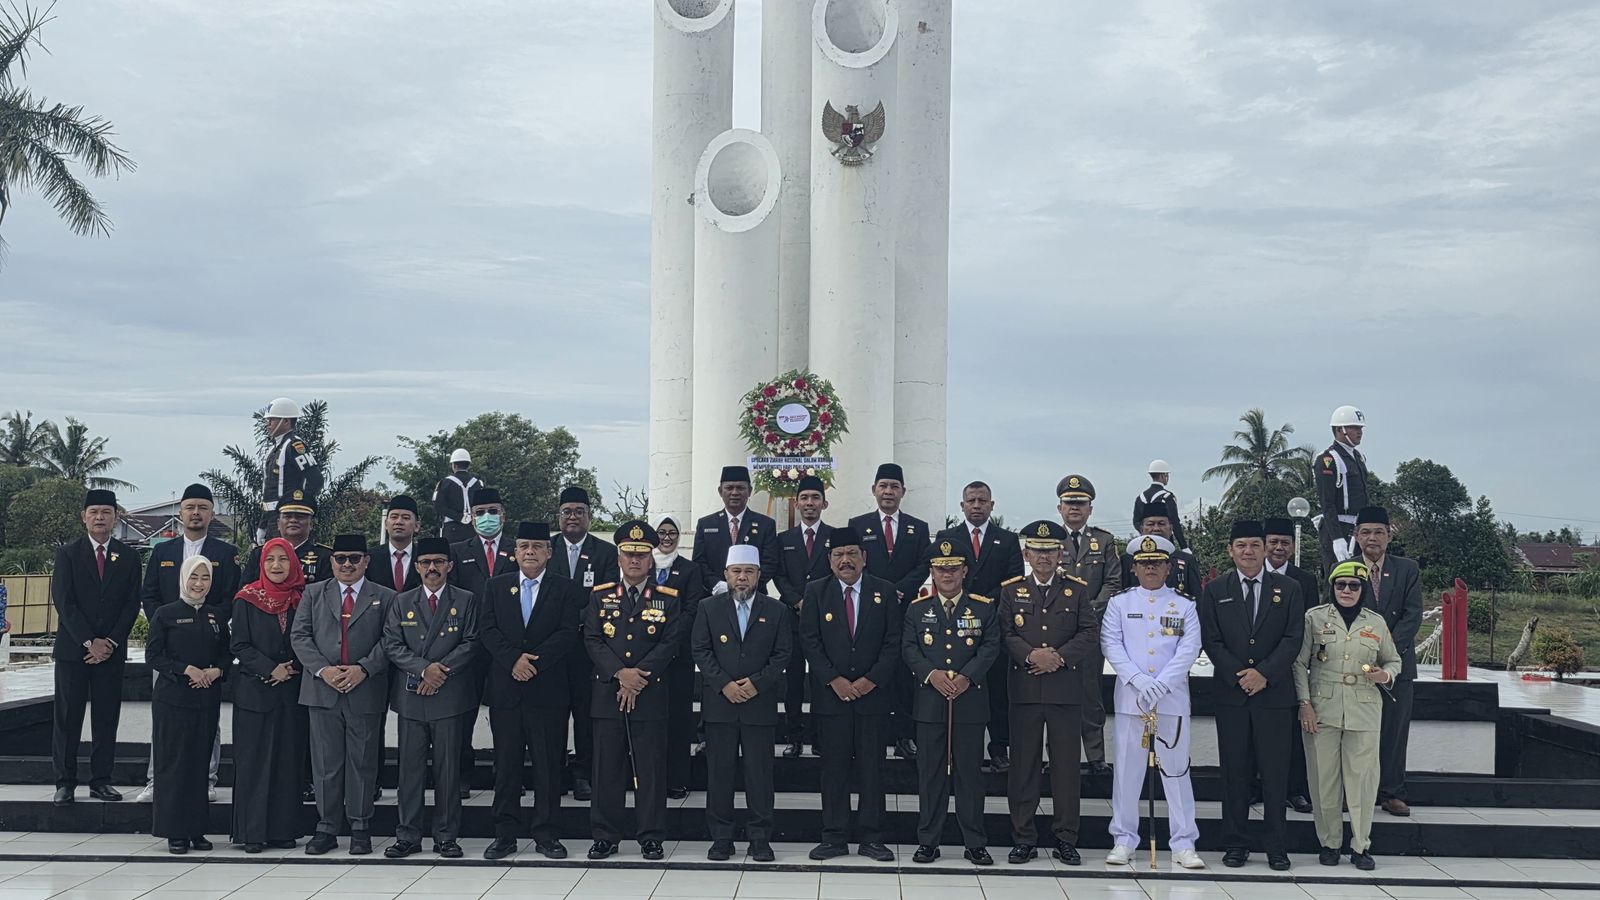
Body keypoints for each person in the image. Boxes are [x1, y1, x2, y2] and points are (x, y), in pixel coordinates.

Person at [1197, 521, 1305, 871]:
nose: (1248, 551)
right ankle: (1235, 844)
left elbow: (1293, 638)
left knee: (1276, 773)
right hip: (1233, 695)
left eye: (1254, 545)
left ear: (1264, 549)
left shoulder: (1288, 588)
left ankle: (1276, 846)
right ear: (1230, 550)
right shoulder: (1215, 590)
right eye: (1240, 545)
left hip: (1273, 696)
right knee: (1235, 773)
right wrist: (1240, 675)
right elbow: (1211, 640)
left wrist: (1265, 674)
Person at [477, 522, 584, 861]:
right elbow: (487, 630)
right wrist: (513, 660)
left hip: (548, 691)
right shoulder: (496, 587)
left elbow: (568, 634)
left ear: (549, 553)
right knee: (506, 766)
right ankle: (504, 834)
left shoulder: (566, 589)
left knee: (548, 766)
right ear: (516, 551)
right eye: (524, 547)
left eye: (537, 547)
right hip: (507, 691)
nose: (530, 553)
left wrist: (533, 664)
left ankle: (547, 834)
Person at [1100, 535, 1204, 870]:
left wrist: (1161, 684)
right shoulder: (1120, 603)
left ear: (1168, 567)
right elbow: (1111, 645)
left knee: (1175, 773)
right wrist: (1140, 680)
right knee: (1128, 773)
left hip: (1170, 700)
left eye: (1157, 563)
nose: (1151, 569)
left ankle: (1183, 842)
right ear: (1134, 567)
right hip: (1132, 699)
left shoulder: (1184, 605)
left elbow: (1189, 649)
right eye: (1145, 564)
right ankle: (1123, 839)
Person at [584, 520, 686, 861]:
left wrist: (637, 677)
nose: (635, 561)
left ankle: (651, 836)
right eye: (629, 554)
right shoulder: (600, 596)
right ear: (619, 557)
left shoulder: (667, 599)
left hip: (650, 693)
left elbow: (670, 643)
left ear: (651, 559)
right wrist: (620, 674)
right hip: (609, 693)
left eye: (642, 555)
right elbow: (593, 639)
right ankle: (605, 836)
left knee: (651, 770)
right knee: (606, 768)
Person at [999, 520, 1099, 866]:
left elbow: (1089, 631)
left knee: (1066, 769)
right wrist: (1031, 655)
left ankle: (1066, 838)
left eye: (1051, 551)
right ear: (1027, 554)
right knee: (1023, 767)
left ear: (1061, 554)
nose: (1044, 557)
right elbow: (1006, 632)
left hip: (1064, 689)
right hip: (1025, 689)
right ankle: (1023, 837)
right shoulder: (1011, 590)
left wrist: (1057, 658)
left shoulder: (1077, 589)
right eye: (1038, 551)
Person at [798, 526, 899, 863]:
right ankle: (834, 836)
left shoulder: (884, 591)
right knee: (834, 769)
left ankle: (872, 837)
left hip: (873, 697)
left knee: (873, 768)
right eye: (839, 555)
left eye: (852, 554)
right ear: (829, 560)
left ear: (864, 558)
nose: (846, 560)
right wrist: (834, 680)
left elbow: (892, 643)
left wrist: (871, 680)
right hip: (832, 697)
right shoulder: (816, 591)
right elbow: (809, 641)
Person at [290, 534, 394, 855]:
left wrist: (363, 669)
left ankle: (361, 826)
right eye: (340, 558)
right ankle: (327, 827)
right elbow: (300, 636)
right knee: (325, 763)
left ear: (366, 561)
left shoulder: (386, 596)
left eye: (353, 558)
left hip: (365, 688)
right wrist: (324, 670)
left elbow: (390, 640)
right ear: (331, 561)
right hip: (323, 690)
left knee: (362, 762)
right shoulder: (312, 593)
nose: (346, 564)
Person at [136, 483, 240, 804]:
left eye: (203, 507)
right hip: (169, 649)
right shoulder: (163, 552)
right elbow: (150, 594)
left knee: (208, 718)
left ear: (211, 513)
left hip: (208, 648)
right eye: (190, 507)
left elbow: (229, 600)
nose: (196, 513)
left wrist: (204, 623)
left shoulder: (226, 553)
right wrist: (166, 623)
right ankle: (157, 780)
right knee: (164, 718)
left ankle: (206, 778)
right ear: (180, 512)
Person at [1295, 560, 1401, 870]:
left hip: (1364, 709)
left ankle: (1360, 845)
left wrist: (1386, 675)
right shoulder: (1314, 619)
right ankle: (1329, 843)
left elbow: (1394, 661)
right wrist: (1305, 703)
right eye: (1340, 585)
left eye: (1354, 586)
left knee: (1362, 782)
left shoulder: (1376, 622)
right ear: (1332, 587)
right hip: (1322, 708)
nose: (1346, 590)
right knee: (1323, 780)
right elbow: (1300, 664)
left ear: (1363, 589)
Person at [692, 544, 792, 862]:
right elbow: (701, 650)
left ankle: (760, 837)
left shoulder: (776, 610)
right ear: (726, 574)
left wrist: (756, 684)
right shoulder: (708, 607)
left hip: (758, 705)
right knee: (719, 774)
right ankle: (721, 837)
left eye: (749, 572)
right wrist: (724, 685)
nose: (742, 578)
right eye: (736, 572)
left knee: (759, 775)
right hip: (721, 705)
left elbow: (782, 654)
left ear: (759, 575)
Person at [902, 538, 998, 866]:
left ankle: (975, 842)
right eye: (941, 569)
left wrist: (967, 676)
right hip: (930, 703)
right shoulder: (917, 609)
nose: (947, 574)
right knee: (930, 776)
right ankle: (928, 841)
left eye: (953, 568)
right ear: (931, 571)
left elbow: (989, 647)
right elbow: (909, 648)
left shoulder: (983, 607)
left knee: (970, 775)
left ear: (964, 571)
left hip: (969, 703)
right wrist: (932, 675)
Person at [382, 536, 480, 859]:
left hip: (449, 697)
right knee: (409, 771)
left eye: (439, 562)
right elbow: (393, 645)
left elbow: (470, 643)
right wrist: (425, 670)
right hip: (412, 696)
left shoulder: (465, 600)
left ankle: (446, 836)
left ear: (450, 566)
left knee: (447, 771)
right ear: (417, 566)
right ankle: (407, 835)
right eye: (425, 563)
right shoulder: (402, 601)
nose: (432, 568)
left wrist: (441, 672)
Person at [51, 488, 141, 806]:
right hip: (73, 651)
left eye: (106, 512)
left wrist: (110, 643)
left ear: (116, 517)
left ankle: (101, 780)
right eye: (94, 512)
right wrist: (90, 641)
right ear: (84, 517)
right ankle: (65, 782)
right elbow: (64, 602)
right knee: (68, 717)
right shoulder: (68, 554)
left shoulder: (128, 557)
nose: (100, 517)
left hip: (111, 653)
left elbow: (131, 604)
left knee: (106, 718)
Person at [936, 481, 1023, 772]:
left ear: (991, 505)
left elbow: (1013, 580)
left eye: (982, 500)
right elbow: (942, 575)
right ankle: (955, 747)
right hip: (954, 625)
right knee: (957, 685)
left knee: (997, 690)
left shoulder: (1007, 540)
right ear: (962, 505)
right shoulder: (948, 537)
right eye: (971, 500)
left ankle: (999, 748)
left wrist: (984, 603)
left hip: (994, 623)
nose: (976, 505)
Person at [230, 538, 310, 854]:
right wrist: (270, 669)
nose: (276, 566)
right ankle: (252, 833)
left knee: (288, 763)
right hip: (254, 694)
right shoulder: (246, 598)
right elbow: (239, 645)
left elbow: (311, 640)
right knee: (254, 764)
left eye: (283, 560)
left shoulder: (303, 599)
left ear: (294, 564)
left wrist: (292, 667)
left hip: (292, 693)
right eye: (269, 560)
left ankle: (282, 830)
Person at [145, 556, 229, 854]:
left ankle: (196, 829)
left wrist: (216, 671)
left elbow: (225, 655)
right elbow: (154, 656)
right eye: (194, 577)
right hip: (173, 700)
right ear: (183, 578)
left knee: (198, 765)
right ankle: (174, 831)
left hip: (205, 699)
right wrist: (186, 669)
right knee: (174, 765)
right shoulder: (165, 614)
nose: (198, 583)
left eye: (205, 578)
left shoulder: (216, 615)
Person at [849, 462, 932, 759]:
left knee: (904, 675)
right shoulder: (857, 525)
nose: (888, 492)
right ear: (874, 490)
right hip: (871, 609)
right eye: (883, 486)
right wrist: (882, 592)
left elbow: (924, 564)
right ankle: (874, 737)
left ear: (903, 492)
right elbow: (855, 563)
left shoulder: (918, 527)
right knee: (875, 670)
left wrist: (900, 590)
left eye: (894, 486)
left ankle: (904, 736)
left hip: (906, 609)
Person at [548, 485, 619, 803]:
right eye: (567, 511)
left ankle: (583, 774)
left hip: (589, 647)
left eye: (579, 511)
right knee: (552, 713)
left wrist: (575, 619)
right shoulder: (545, 548)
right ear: (558, 517)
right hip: (551, 647)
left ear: (590, 516)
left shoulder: (604, 553)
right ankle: (554, 772)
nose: (573, 517)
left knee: (586, 713)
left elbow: (604, 598)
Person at [1353, 506, 1423, 817]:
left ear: (1389, 536)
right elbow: (1342, 613)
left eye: (1378, 532)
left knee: (1394, 731)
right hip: (1358, 665)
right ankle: (1354, 791)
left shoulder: (1407, 569)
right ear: (1356, 537)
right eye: (1365, 532)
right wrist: (1368, 653)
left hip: (1397, 666)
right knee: (1355, 731)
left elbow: (1413, 615)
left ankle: (1392, 792)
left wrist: (1387, 653)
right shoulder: (1345, 568)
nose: (1372, 538)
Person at [446, 485, 512, 793]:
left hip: (505, 645)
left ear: (504, 515)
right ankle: (461, 774)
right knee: (464, 712)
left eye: (493, 512)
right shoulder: (458, 551)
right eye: (480, 513)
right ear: (471, 517)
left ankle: (506, 773)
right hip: (469, 644)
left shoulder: (516, 549)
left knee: (504, 714)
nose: (487, 518)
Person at [1055, 474, 1120, 776]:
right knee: (1054, 697)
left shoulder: (1104, 541)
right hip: (1054, 632)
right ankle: (1056, 755)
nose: (1075, 509)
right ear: (1060, 508)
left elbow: (1112, 582)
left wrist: (1088, 610)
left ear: (1090, 508)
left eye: (1081, 503)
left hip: (1090, 630)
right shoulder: (1050, 540)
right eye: (1070, 503)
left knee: (1091, 694)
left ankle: (1096, 755)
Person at [1264, 515, 1323, 815]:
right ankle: (1253, 787)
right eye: (1273, 542)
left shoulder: (1305, 580)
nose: (1278, 548)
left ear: (1292, 546)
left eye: (1284, 543)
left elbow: (1308, 626)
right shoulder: (1243, 574)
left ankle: (1295, 790)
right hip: (1252, 669)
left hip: (1290, 668)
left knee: (1292, 734)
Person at [774, 474, 835, 758]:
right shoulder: (783, 539)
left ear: (824, 503)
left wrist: (817, 604)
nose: (810, 503)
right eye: (805, 498)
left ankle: (822, 737)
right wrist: (796, 601)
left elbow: (839, 574)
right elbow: (779, 575)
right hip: (793, 620)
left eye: (815, 498)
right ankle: (795, 736)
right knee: (794, 681)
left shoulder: (835, 537)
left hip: (827, 622)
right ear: (796, 503)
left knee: (822, 681)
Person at [652, 516, 707, 799]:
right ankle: (650, 779)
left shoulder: (689, 569)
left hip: (679, 655)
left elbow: (692, 607)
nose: (667, 537)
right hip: (646, 656)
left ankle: (676, 779)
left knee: (678, 718)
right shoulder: (644, 564)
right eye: (661, 532)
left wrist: (669, 635)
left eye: (672, 532)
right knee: (650, 721)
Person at [690, 464, 780, 595]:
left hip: (754, 596)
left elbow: (770, 563)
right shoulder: (705, 524)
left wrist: (747, 585)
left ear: (749, 491)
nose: (735, 493)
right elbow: (699, 562)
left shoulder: (765, 524)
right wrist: (716, 585)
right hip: (714, 597)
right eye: (729, 488)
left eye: (740, 488)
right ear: (720, 491)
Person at [1316, 405, 1370, 576]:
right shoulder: (1329, 459)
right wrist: (1337, 538)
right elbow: (1327, 502)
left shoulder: (1357, 457)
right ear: (1340, 430)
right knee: (1336, 578)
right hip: (1338, 525)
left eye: (1360, 428)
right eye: (1354, 427)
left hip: (1356, 527)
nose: (1359, 432)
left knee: (1359, 579)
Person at [259, 398, 324, 540]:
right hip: (272, 518)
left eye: (272, 420)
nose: (268, 424)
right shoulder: (275, 449)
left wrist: (298, 505)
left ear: (286, 421)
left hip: (286, 516)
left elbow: (316, 479)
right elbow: (269, 492)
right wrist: (262, 525)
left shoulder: (294, 445)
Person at [242, 493, 333, 586]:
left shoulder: (325, 557)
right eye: (287, 516)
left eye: (300, 516)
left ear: (311, 524)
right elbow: (244, 592)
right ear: (278, 523)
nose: (293, 520)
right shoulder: (259, 554)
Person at [1118, 508, 1202, 600]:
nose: (1156, 528)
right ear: (1141, 529)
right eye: (1150, 524)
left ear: (1171, 528)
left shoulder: (1187, 560)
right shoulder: (1127, 560)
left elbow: (1197, 599)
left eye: (1161, 524)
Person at [368, 495, 423, 593]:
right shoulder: (370, 558)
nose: (398, 522)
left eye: (406, 518)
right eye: (394, 517)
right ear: (385, 524)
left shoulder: (425, 557)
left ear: (417, 526)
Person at [1132, 459, 1188, 549]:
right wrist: (1184, 547)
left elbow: (1136, 521)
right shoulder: (1168, 496)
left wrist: (1147, 533)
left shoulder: (1140, 497)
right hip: (1165, 542)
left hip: (1146, 543)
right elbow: (1175, 522)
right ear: (1163, 476)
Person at [432, 448, 484, 543]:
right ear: (468, 465)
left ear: (454, 465)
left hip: (452, 529)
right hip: (474, 528)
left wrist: (459, 517)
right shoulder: (478, 483)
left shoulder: (445, 482)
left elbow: (438, 507)